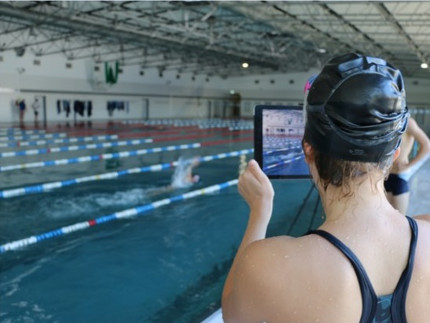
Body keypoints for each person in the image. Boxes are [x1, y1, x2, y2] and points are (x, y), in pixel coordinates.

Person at [222, 53, 430, 323]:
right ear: (394, 154)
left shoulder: (269, 264)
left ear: (308, 150)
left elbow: (233, 314)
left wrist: (260, 213)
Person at [385, 117, 430, 214]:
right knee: (385, 215)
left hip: (399, 175)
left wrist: (409, 165)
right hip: (385, 174)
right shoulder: (384, 120)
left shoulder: (408, 122)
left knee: (400, 217)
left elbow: (427, 145)